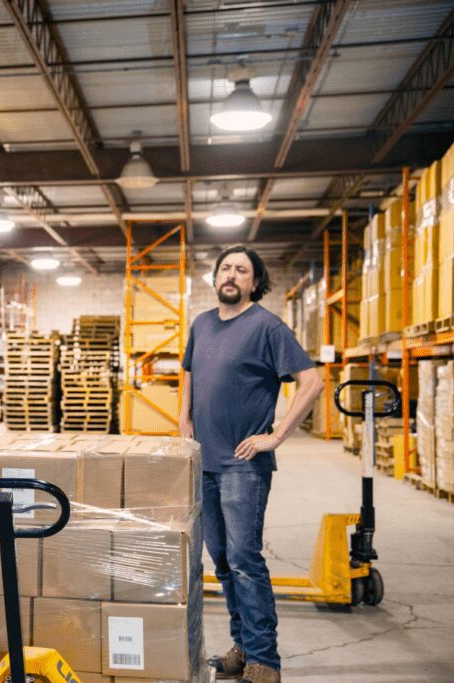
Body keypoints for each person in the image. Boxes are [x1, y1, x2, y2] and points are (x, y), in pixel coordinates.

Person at [179, 245, 323, 683]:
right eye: (225, 268)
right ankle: (242, 647)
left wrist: (275, 436)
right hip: (203, 461)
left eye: (242, 270)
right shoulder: (201, 324)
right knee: (221, 561)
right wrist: (183, 419)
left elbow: (312, 382)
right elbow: (188, 372)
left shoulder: (267, 326)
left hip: (243, 466)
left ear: (255, 282)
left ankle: (265, 660)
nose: (231, 275)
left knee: (245, 559)